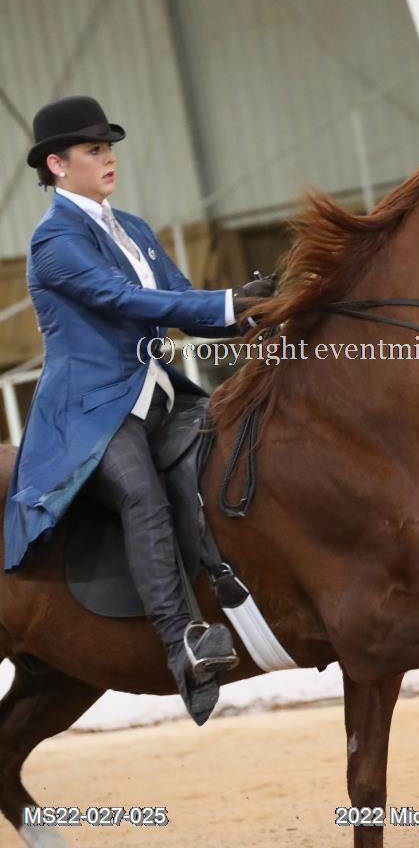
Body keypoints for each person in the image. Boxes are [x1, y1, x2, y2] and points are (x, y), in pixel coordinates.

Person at [3, 95, 276, 725]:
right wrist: (227, 303)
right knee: (141, 493)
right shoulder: (53, 241)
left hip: (155, 393)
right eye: (93, 149)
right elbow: (123, 300)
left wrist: (253, 311)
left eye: (109, 148)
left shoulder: (132, 228)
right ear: (57, 164)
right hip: (90, 412)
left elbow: (181, 301)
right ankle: (183, 642)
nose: (108, 158)